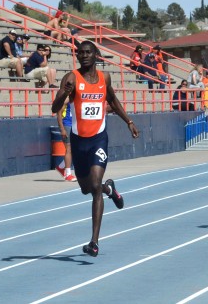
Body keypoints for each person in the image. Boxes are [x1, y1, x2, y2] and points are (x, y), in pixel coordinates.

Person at [51, 40, 139, 257]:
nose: (84, 55)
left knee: (95, 185)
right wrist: (64, 93)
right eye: (80, 53)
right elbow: (55, 107)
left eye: (88, 52)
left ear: (96, 55)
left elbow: (114, 100)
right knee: (87, 188)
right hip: (79, 141)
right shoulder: (71, 77)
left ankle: (94, 242)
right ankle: (111, 189)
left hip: (99, 139)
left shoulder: (104, 78)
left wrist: (128, 121)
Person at [56, 97, 76, 181]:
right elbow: (59, 111)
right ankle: (68, 174)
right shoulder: (67, 99)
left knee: (75, 150)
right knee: (69, 149)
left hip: (76, 125)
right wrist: (62, 128)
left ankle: (61, 167)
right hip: (67, 124)